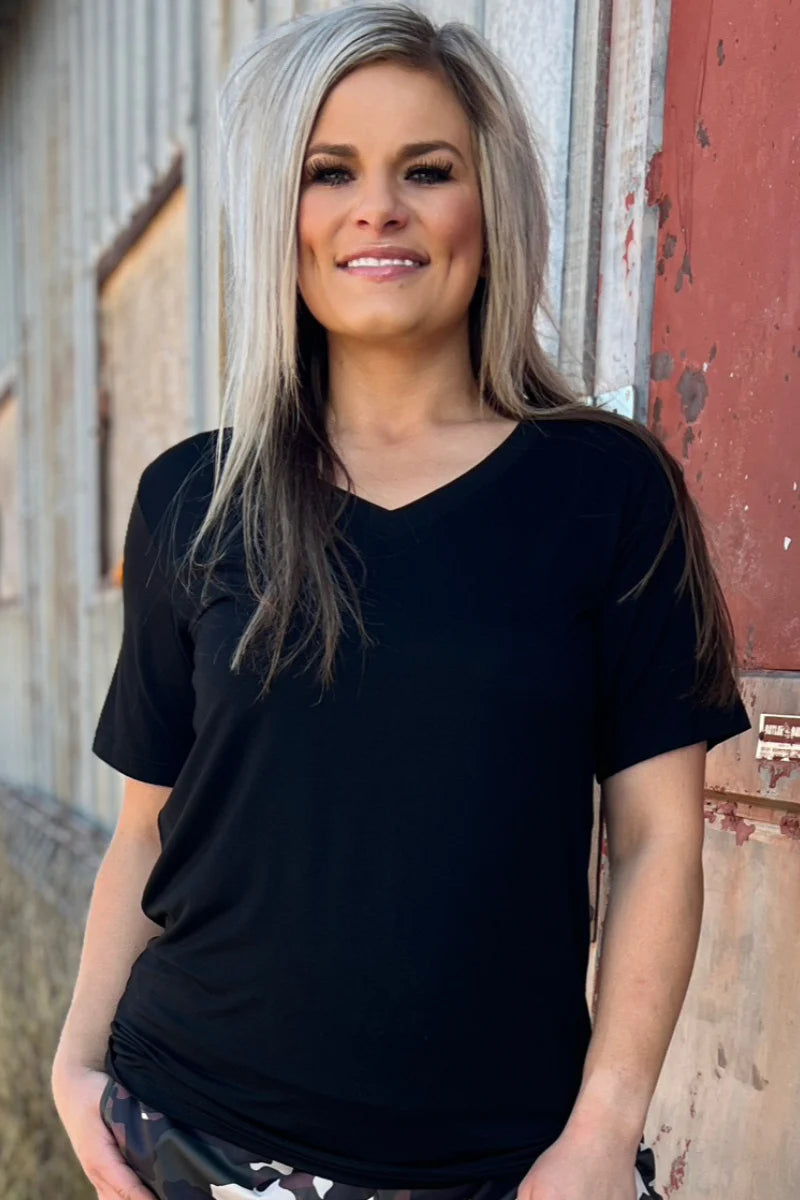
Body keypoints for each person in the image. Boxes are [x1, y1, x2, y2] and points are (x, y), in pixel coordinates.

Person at [51, 5, 751, 1200]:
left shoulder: (607, 492)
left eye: (425, 169)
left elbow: (653, 841)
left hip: (503, 1165)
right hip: (192, 1136)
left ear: (489, 205)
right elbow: (147, 831)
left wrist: (600, 1132)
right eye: (330, 172)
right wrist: (76, 1066)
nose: (377, 207)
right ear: (279, 212)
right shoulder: (192, 499)